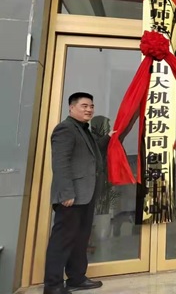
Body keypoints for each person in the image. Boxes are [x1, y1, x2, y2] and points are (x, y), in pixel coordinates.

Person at [43, 92, 113, 294]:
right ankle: (53, 286)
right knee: (62, 241)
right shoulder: (65, 129)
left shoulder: (83, 130)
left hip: (85, 195)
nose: (89, 109)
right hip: (71, 197)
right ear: (71, 107)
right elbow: (60, 163)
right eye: (84, 106)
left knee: (80, 239)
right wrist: (66, 193)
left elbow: (93, 152)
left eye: (91, 106)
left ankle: (76, 278)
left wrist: (110, 137)